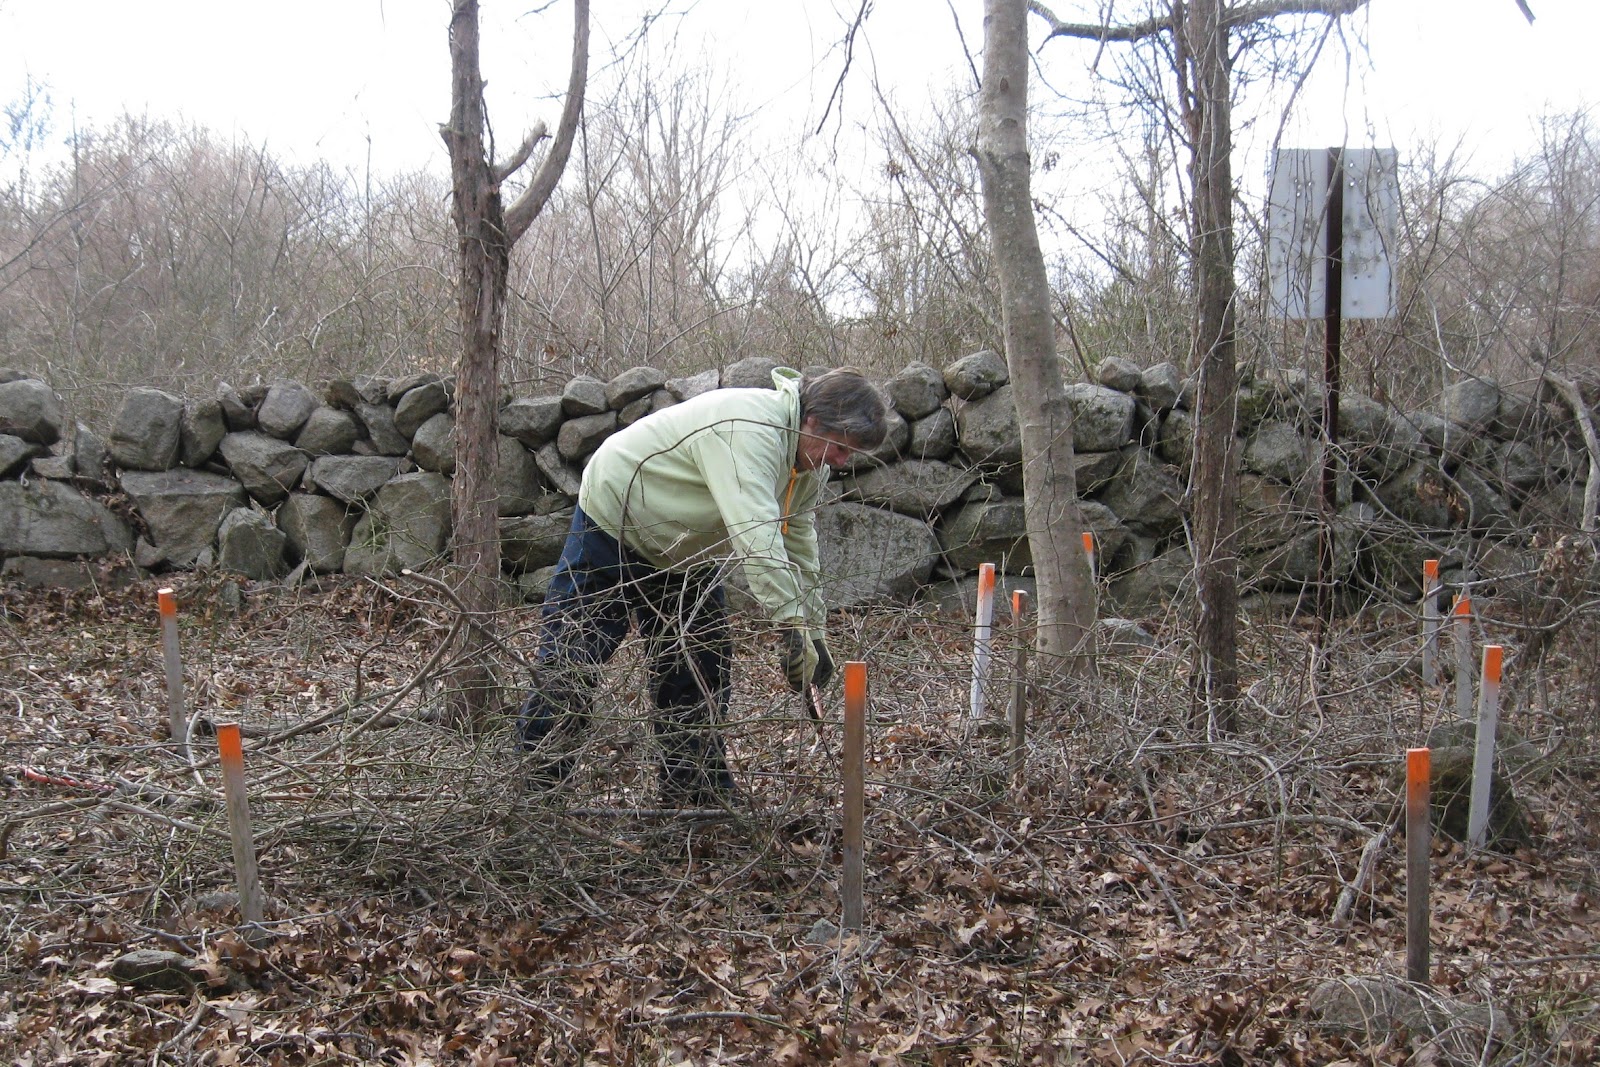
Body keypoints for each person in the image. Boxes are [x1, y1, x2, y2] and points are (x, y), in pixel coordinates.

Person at [515, 366, 890, 807]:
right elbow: (758, 536)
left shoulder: (808, 463)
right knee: (572, 664)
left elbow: (800, 543)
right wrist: (789, 625)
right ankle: (536, 800)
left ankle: (694, 796)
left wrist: (815, 632)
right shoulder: (749, 429)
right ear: (813, 420)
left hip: (685, 552)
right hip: (613, 522)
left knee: (699, 670)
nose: (843, 461)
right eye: (842, 447)